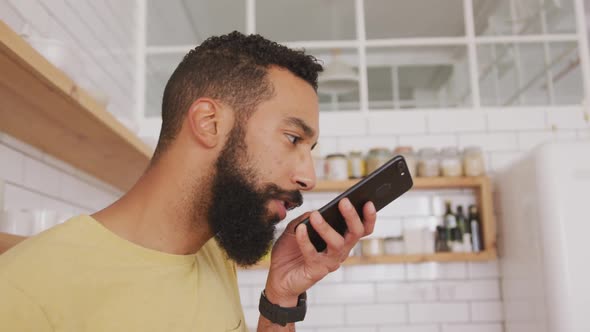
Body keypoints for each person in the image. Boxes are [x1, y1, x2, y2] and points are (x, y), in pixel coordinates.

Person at [0, 31, 376, 331]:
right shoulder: (23, 292)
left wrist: (281, 301)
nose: (307, 177)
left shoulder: (212, 253)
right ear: (209, 123)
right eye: (293, 138)